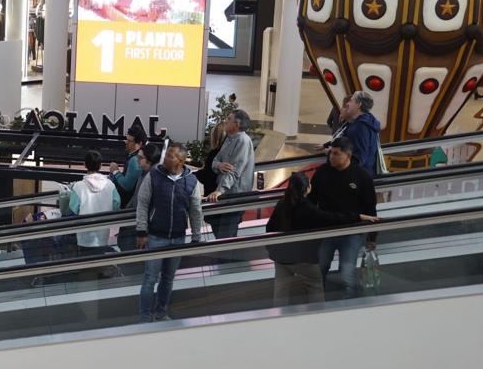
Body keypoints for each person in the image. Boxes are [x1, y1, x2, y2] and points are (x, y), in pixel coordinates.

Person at [266, 171, 376, 306]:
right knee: (314, 285)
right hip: (304, 260)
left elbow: (269, 228)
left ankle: (278, 318)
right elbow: (332, 218)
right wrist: (358, 217)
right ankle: (317, 314)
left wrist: (273, 252)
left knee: (281, 291)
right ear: (308, 188)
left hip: (281, 259)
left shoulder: (282, 204)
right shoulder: (307, 209)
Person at [135, 143, 203, 322]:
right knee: (150, 278)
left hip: (178, 237)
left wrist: (196, 237)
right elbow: (142, 204)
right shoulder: (154, 176)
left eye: (170, 156)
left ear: (180, 161)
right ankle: (145, 316)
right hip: (155, 236)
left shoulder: (191, 181)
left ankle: (161, 312)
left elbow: (195, 210)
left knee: (168, 279)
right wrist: (142, 231)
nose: (165, 158)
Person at [310, 137, 378, 300]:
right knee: (321, 267)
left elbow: (370, 208)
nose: (331, 157)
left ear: (348, 155)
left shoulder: (361, 177)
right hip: (326, 229)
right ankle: (318, 299)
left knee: (347, 270)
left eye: (336, 154)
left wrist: (372, 238)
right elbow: (312, 200)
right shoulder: (322, 173)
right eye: (331, 153)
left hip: (352, 232)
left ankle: (350, 302)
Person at [204, 108, 255, 238]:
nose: (225, 121)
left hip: (234, 197)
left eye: (229, 119)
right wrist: (219, 165)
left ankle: (226, 259)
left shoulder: (243, 141)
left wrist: (220, 191)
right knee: (221, 233)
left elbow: (234, 171)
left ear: (236, 125)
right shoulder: (229, 138)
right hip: (225, 195)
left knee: (226, 236)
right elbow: (215, 162)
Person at [68, 150, 121, 253]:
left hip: (83, 235)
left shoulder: (78, 186)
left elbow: (74, 208)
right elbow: (116, 205)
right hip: (103, 234)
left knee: (84, 265)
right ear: (100, 166)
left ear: (84, 165)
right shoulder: (110, 185)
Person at [331, 90, 381, 177]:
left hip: (357, 176)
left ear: (359, 105)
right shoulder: (366, 121)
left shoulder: (361, 127)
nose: (347, 104)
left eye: (351, 101)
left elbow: (359, 156)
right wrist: (326, 146)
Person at [108, 125, 146, 207]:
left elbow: (127, 185)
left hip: (126, 207)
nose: (126, 142)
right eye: (126, 139)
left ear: (139, 144)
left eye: (129, 141)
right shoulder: (135, 157)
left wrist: (115, 171)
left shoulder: (134, 160)